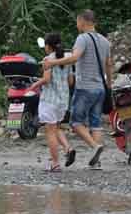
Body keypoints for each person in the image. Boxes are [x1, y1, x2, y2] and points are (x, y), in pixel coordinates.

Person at [43, 10, 110, 170]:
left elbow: (74, 58)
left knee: (75, 122)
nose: (76, 25)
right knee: (95, 123)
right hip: (100, 88)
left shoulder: (82, 38)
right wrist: (109, 84)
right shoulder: (105, 41)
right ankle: (96, 162)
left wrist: (53, 63)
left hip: (85, 88)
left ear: (82, 21)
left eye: (77, 22)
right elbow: (109, 64)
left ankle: (95, 146)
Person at [28, 33, 76, 172]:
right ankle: (68, 148)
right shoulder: (68, 59)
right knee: (56, 127)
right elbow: (71, 81)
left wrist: (34, 85)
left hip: (49, 100)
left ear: (48, 46)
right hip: (63, 101)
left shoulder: (48, 59)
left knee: (50, 132)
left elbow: (47, 79)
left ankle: (55, 164)